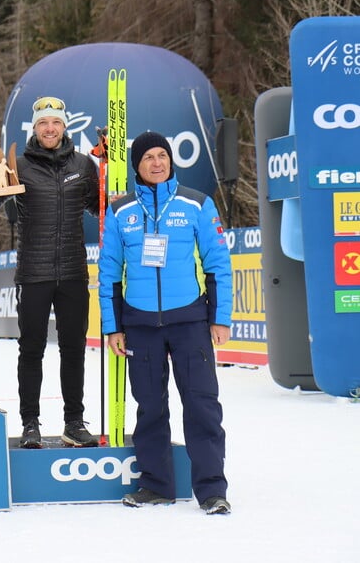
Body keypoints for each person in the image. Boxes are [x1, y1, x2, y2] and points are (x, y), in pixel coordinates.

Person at [98, 131, 232, 515]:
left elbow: (218, 264)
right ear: (137, 167)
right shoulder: (120, 210)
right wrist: (113, 326)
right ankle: (156, 485)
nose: (157, 163)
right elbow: (108, 272)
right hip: (139, 324)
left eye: (163, 156)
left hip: (189, 321)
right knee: (150, 408)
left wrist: (220, 318)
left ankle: (211, 490)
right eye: (148, 158)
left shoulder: (196, 204)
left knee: (202, 405)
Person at [0, 96, 99, 449]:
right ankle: (31, 423)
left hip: (74, 272)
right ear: (35, 128)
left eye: (55, 123)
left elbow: (99, 207)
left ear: (64, 127)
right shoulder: (19, 166)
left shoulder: (83, 165)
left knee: (73, 349)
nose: (49, 128)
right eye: (43, 123)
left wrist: (112, 193)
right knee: (31, 349)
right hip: (34, 273)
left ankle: (74, 422)